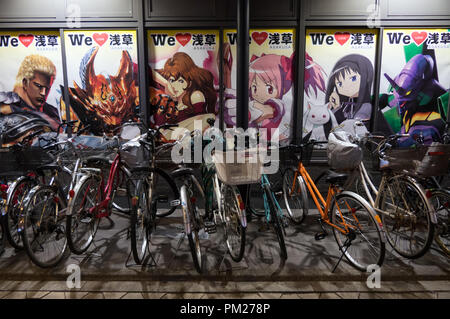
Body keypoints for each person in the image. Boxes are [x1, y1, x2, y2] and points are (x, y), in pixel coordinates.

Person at [150, 52, 217, 134]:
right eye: (171, 80)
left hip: (190, 141)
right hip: (166, 142)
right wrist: (166, 84)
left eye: (181, 81)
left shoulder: (195, 95)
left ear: (190, 81)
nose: (174, 86)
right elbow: (146, 71)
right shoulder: (168, 101)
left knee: (207, 118)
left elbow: (200, 125)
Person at [0, 54, 60, 131]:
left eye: (47, 88)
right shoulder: (7, 105)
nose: (43, 93)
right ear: (25, 83)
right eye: (38, 86)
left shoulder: (52, 112)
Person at [324, 54, 374, 126]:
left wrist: (337, 109)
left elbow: (350, 128)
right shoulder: (343, 104)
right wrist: (336, 107)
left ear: (366, 77)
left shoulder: (366, 107)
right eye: (340, 83)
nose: (346, 87)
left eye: (353, 79)